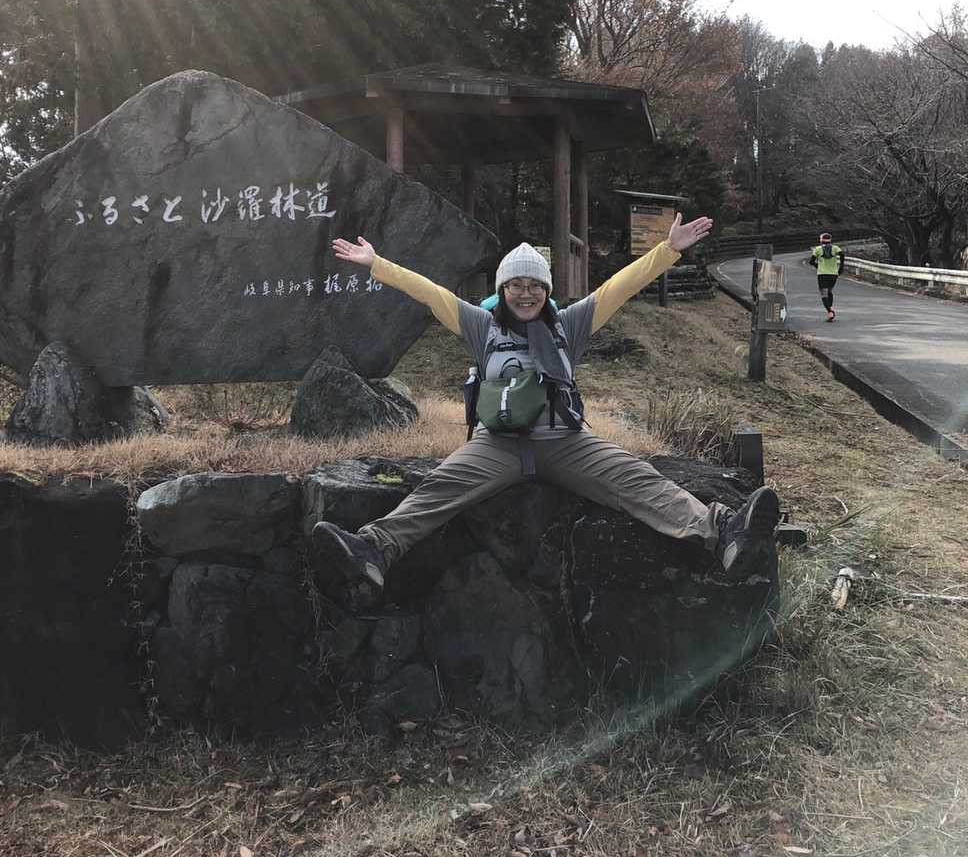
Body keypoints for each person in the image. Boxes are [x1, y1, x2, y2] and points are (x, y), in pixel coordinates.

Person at [310, 215, 780, 597]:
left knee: (636, 477)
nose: (526, 293)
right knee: (441, 484)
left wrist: (667, 250)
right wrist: (378, 264)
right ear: (503, 289)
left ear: (547, 290)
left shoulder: (568, 325)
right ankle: (372, 550)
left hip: (566, 442)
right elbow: (431, 293)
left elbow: (618, 287)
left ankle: (725, 532)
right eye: (515, 285)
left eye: (535, 285)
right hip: (498, 444)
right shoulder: (481, 326)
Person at [809, 232, 845, 321]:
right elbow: (842, 255)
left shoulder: (818, 249)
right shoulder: (835, 248)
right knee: (829, 291)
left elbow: (811, 261)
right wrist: (841, 267)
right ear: (830, 240)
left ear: (821, 240)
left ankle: (830, 312)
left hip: (822, 274)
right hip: (833, 274)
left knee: (823, 294)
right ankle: (831, 308)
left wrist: (817, 266)